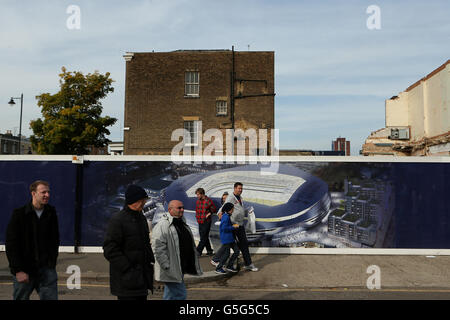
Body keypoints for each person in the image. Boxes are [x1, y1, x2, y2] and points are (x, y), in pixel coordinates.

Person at [6, 180, 60, 300]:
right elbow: (11, 244)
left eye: (48, 192)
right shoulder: (19, 214)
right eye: (43, 192)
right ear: (33, 193)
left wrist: (51, 262)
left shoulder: (51, 212)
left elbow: (55, 240)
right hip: (25, 270)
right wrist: (18, 270)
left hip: (46, 270)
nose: (47, 195)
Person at [103, 184, 155, 300]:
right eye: (142, 200)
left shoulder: (141, 218)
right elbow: (110, 249)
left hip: (142, 280)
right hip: (126, 282)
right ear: (134, 200)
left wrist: (150, 260)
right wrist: (128, 268)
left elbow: (145, 244)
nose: (144, 203)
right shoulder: (118, 220)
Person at [152, 200, 202, 300]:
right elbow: (158, 248)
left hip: (179, 267)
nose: (182, 209)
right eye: (179, 208)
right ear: (170, 209)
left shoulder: (181, 222)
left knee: (170, 295)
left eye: (183, 207)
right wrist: (167, 266)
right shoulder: (162, 225)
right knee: (180, 294)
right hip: (171, 268)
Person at [224, 182, 258, 272]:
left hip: (240, 224)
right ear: (234, 188)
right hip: (233, 225)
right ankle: (219, 261)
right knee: (231, 245)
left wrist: (248, 210)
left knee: (244, 244)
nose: (240, 190)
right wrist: (222, 216)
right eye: (239, 188)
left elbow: (240, 209)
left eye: (241, 188)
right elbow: (224, 208)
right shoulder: (230, 197)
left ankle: (248, 264)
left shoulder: (240, 198)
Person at [214, 203, 240, 274]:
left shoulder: (227, 216)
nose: (233, 210)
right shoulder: (225, 217)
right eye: (232, 209)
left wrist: (232, 225)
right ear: (229, 209)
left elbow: (226, 226)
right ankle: (218, 268)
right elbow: (223, 228)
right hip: (226, 239)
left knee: (237, 251)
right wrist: (233, 227)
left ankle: (229, 266)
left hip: (230, 238)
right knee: (226, 254)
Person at [195, 188, 216, 256]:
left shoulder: (208, 201)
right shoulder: (198, 201)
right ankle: (209, 250)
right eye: (197, 194)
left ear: (202, 194)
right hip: (200, 221)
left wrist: (209, 213)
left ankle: (198, 251)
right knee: (204, 236)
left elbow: (214, 208)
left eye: (198, 194)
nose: (197, 196)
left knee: (203, 237)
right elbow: (197, 210)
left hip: (206, 221)